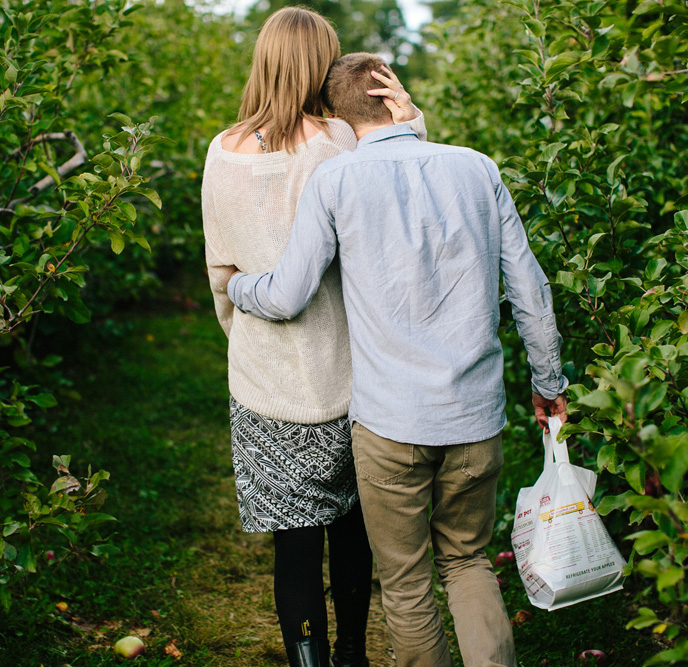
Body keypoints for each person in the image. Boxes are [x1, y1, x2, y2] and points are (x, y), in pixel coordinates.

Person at [223, 53, 570, 667]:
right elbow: (530, 291)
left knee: (407, 586)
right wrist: (548, 381)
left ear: (334, 115)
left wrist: (237, 285)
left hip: (389, 426)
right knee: (468, 564)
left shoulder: (337, 181)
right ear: (396, 97)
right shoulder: (476, 168)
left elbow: (287, 294)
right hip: (474, 417)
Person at [201, 10, 427, 667]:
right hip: (352, 372)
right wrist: (410, 115)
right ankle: (354, 653)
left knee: (293, 545)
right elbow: (407, 178)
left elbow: (222, 272)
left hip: (265, 379)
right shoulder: (339, 140)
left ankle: (310, 662)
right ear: (320, 66)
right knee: (353, 529)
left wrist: (244, 337)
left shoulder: (221, 151)